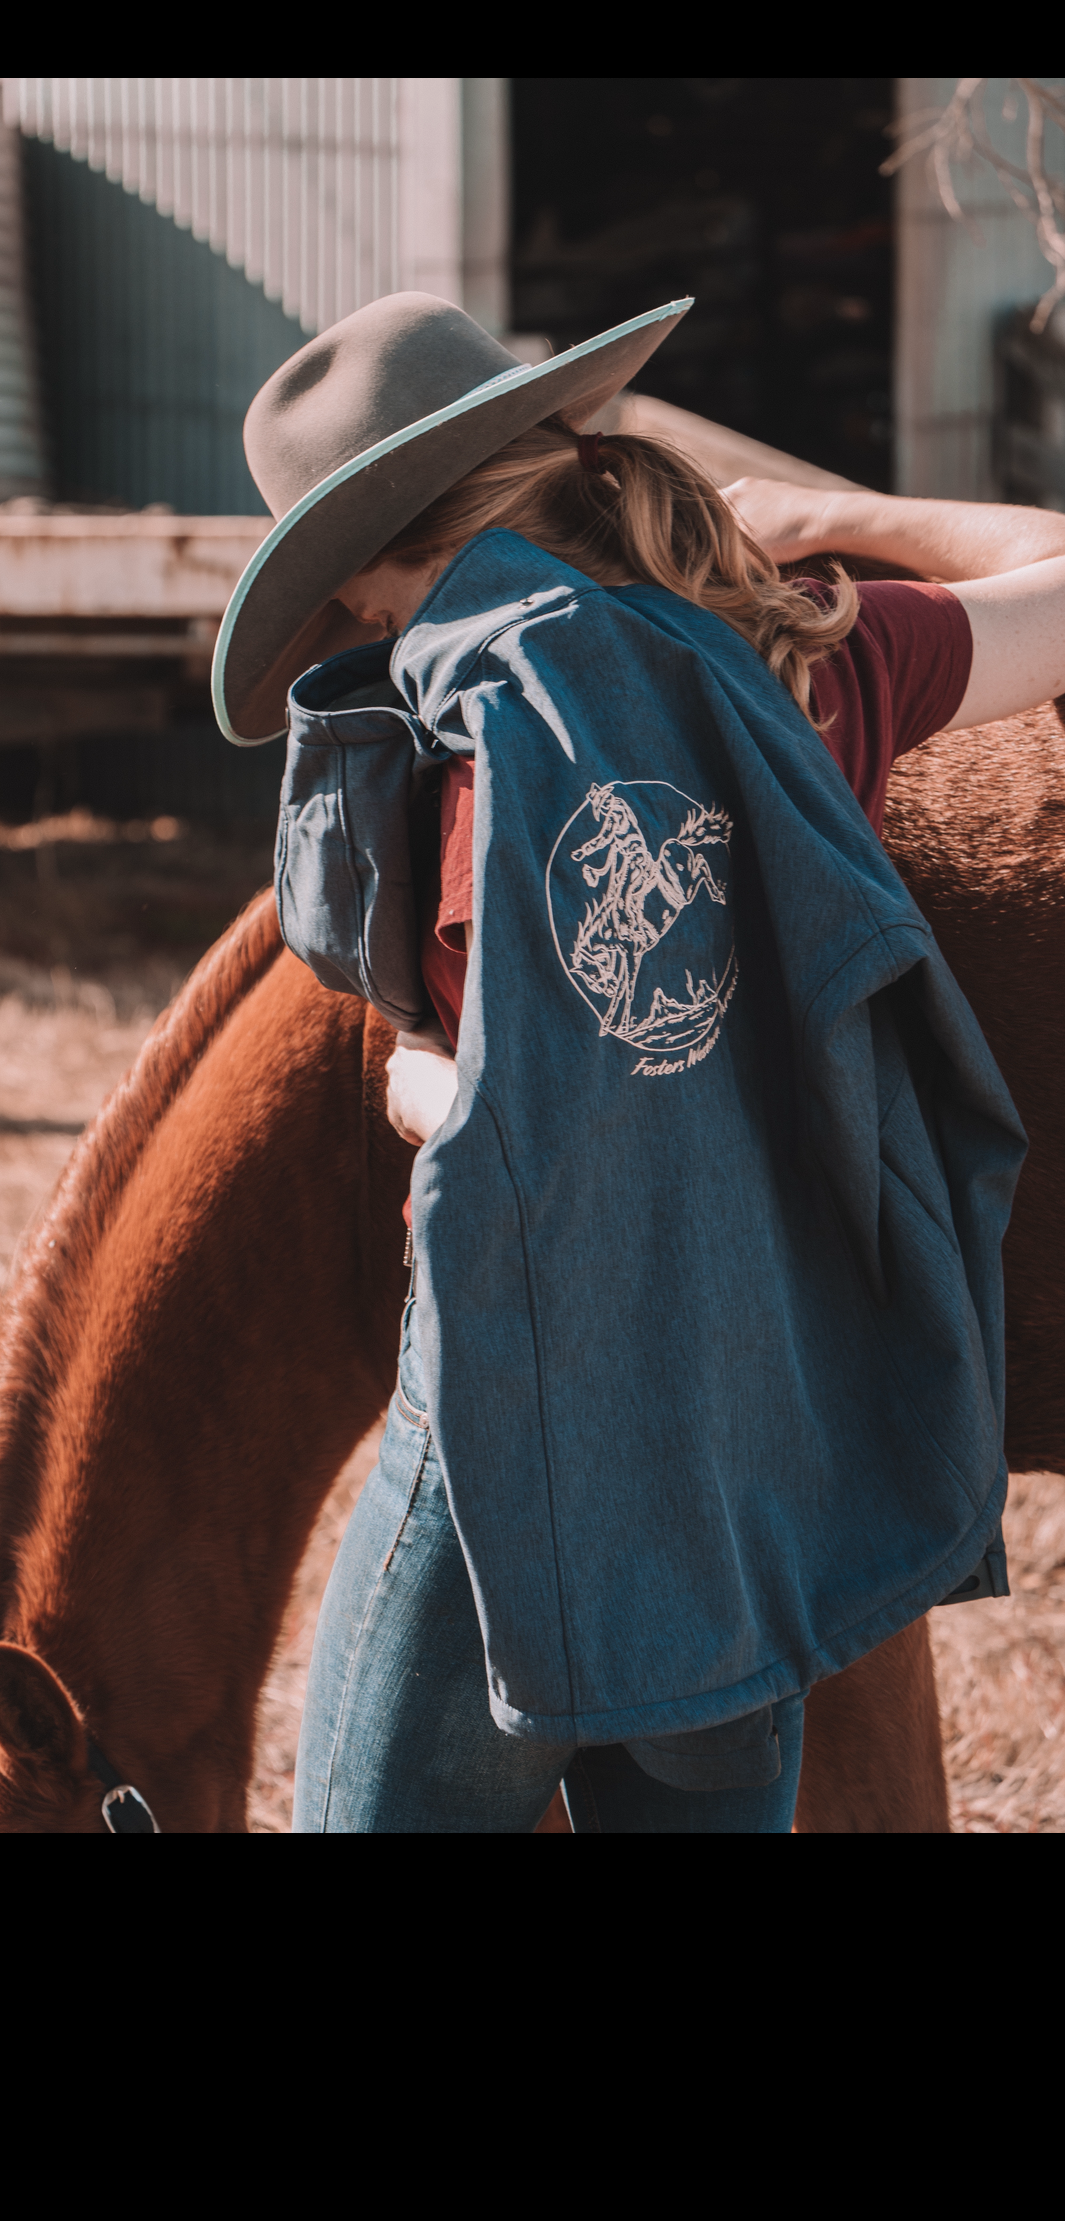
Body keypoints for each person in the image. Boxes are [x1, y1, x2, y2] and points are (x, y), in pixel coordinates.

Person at [213, 291, 1061, 1834]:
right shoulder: (808, 664)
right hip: (748, 1424)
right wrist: (842, 518)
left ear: (368, 570)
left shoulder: (478, 743)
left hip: (519, 1420)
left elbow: (502, 1125)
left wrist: (409, 1066)